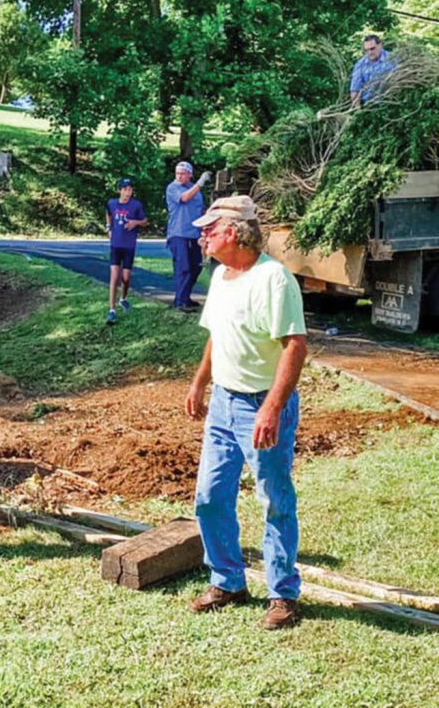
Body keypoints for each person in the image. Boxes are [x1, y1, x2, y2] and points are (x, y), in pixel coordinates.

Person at [184, 195, 308, 631]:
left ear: (234, 232)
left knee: (274, 499)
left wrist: (272, 408)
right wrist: (200, 381)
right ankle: (228, 580)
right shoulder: (221, 276)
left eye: (209, 229)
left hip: (261, 405)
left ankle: (283, 594)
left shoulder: (274, 279)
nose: (202, 236)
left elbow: (295, 345)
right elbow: (218, 334)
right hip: (223, 401)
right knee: (210, 497)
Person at [166, 162, 211, 312]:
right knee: (183, 267)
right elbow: (184, 198)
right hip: (179, 234)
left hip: (194, 234)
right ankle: (180, 301)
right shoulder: (173, 188)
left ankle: (185, 297)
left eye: (183, 173)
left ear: (189, 174)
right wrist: (200, 183)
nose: (179, 176)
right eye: (177, 173)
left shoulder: (196, 191)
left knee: (196, 267)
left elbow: (201, 211)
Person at [104, 178, 148, 325]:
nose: (128, 192)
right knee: (114, 276)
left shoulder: (136, 205)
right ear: (120, 190)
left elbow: (145, 220)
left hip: (129, 246)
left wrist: (135, 222)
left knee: (126, 278)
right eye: (125, 189)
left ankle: (123, 299)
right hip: (116, 245)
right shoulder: (112, 203)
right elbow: (108, 214)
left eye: (130, 189)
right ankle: (112, 310)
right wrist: (108, 228)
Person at [350, 34, 396, 109]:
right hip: (369, 105)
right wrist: (358, 111)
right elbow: (355, 89)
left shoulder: (393, 59)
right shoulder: (360, 65)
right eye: (366, 50)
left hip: (392, 103)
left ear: (380, 45)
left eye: (372, 49)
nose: (369, 52)